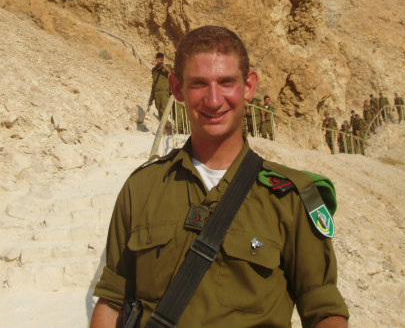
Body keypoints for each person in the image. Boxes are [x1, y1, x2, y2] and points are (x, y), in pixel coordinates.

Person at [91, 26, 349, 328]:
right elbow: (112, 302)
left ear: (248, 86)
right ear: (177, 88)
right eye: (199, 84)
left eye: (226, 82)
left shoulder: (291, 196)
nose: (214, 101)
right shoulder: (141, 188)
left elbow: (324, 310)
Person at [150, 53, 172, 120]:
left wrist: (162, 64)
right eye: (158, 58)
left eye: (161, 58)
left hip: (164, 91)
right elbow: (154, 82)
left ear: (163, 58)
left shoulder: (167, 66)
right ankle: (164, 127)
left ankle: (167, 127)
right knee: (158, 109)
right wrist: (152, 95)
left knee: (164, 109)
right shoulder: (154, 69)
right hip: (156, 92)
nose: (159, 59)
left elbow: (169, 71)